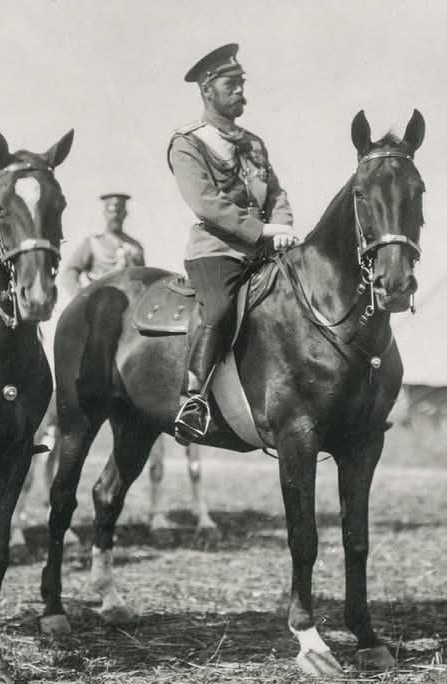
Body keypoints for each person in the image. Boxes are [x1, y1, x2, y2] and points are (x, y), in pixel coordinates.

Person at [168, 43, 301, 445]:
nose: (241, 91)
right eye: (232, 84)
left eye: (242, 83)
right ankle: (193, 399)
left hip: (263, 252)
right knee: (220, 310)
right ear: (208, 90)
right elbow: (206, 204)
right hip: (216, 252)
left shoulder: (254, 143)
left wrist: (283, 227)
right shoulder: (187, 142)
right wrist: (261, 231)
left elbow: (275, 192)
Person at [61, 193, 145, 297]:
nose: (115, 216)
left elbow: (143, 278)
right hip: (99, 300)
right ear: (105, 213)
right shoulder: (93, 243)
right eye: (111, 211)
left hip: (131, 301)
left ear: (125, 213)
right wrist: (80, 294)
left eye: (119, 212)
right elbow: (70, 272)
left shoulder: (135, 246)